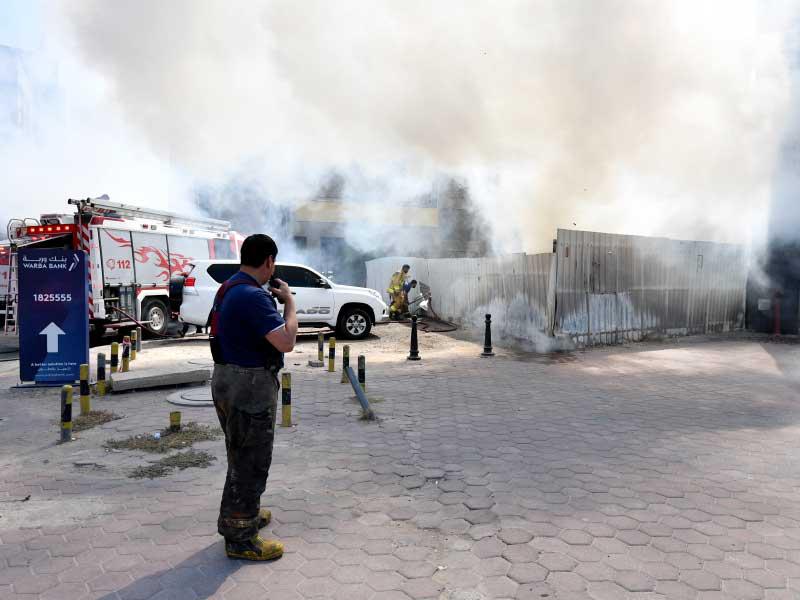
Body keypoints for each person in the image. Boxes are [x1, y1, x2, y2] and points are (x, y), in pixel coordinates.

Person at [209, 234, 298, 561]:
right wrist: (289, 302)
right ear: (269, 262)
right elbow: (286, 342)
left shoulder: (229, 287)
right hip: (248, 386)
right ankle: (241, 538)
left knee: (240, 455)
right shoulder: (252, 297)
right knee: (251, 460)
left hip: (226, 379)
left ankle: (240, 514)